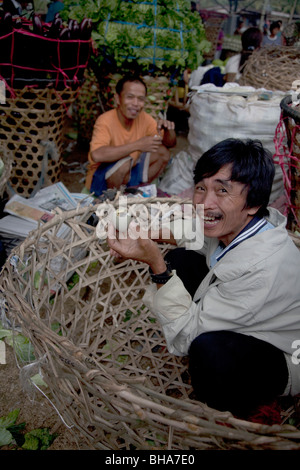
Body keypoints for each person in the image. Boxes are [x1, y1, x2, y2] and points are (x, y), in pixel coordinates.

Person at [107, 138, 300, 419]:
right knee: (182, 259)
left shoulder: (259, 271)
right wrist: (145, 231)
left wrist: (155, 263)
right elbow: (191, 230)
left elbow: (186, 338)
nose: (205, 203)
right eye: (201, 188)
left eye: (222, 190)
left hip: (286, 351)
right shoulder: (246, 223)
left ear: (254, 202)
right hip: (249, 314)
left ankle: (255, 405)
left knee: (207, 355)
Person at [85, 74, 176, 197]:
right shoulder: (105, 120)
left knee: (163, 152)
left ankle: (135, 191)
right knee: (124, 163)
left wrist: (169, 130)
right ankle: (112, 200)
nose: (136, 103)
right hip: (101, 180)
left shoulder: (145, 119)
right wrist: (137, 145)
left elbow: (170, 144)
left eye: (141, 99)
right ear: (118, 99)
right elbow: (96, 155)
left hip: (129, 173)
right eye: (130, 97)